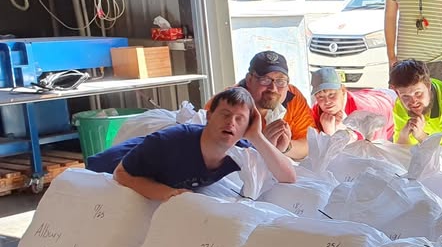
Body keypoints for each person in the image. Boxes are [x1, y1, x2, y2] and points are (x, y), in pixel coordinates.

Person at [86, 87, 297, 201]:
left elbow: (287, 177)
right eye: (224, 114)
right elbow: (121, 173)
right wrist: (170, 195)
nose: (231, 123)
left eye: (240, 119)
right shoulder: (171, 142)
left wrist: (257, 136)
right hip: (103, 171)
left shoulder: (239, 150)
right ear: (208, 117)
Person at [238, 50, 315, 160]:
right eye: (264, 80)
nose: (273, 88)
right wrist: (261, 145)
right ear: (249, 80)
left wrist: (285, 147)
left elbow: (310, 144)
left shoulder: (293, 97)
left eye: (280, 81)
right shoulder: (227, 103)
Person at [309, 67, 396, 141]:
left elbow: (373, 152)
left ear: (343, 90)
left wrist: (335, 132)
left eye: (331, 94)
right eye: (320, 97)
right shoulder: (316, 110)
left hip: (390, 103)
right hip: (368, 94)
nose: (327, 101)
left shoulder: (365, 113)